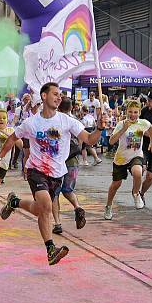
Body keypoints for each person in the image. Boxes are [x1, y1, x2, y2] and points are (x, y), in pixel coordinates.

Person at [0, 82, 104, 266]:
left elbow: (89, 139)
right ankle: (51, 249)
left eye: (60, 95)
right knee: (46, 205)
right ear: (44, 96)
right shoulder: (31, 123)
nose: (59, 97)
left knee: (40, 210)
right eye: (55, 94)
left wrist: (100, 128)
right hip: (36, 171)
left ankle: (14, 202)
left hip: (57, 174)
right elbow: (12, 138)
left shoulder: (66, 121)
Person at [105, 99, 152, 219]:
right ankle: (108, 206)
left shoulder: (143, 123)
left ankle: (136, 193)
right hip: (121, 158)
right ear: (126, 112)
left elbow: (150, 128)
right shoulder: (121, 124)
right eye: (130, 112)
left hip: (135, 155)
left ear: (139, 113)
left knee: (138, 172)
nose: (133, 115)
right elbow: (111, 141)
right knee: (116, 184)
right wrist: (123, 129)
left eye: (136, 112)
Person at [50, 99, 87, 233]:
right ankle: (77, 207)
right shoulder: (76, 122)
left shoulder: (56, 122)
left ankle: (57, 223)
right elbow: (82, 142)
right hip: (73, 162)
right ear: (72, 107)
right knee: (68, 190)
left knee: (54, 193)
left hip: (58, 162)